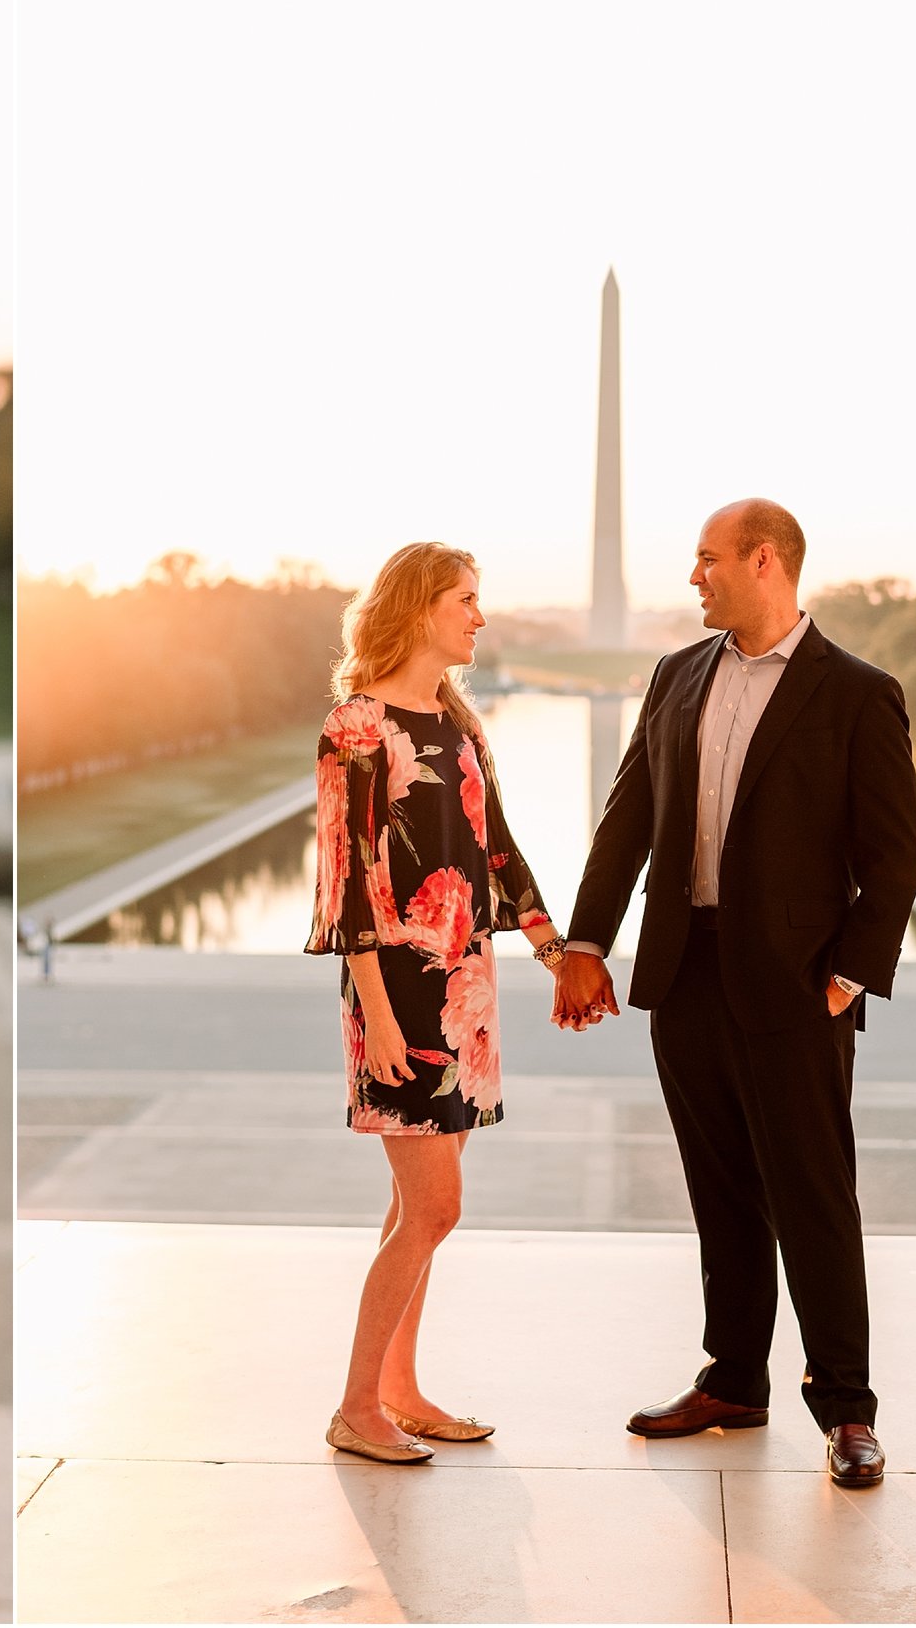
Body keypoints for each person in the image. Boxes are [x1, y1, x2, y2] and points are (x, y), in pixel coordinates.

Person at [551, 498, 916, 1489]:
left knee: (811, 1194)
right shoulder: (677, 675)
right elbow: (627, 816)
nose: (692, 576)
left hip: (798, 987)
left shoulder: (855, 692)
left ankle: (847, 1408)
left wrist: (846, 976)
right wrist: (587, 940)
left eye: (707, 559)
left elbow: (893, 856)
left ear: (765, 562)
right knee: (718, 1191)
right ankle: (733, 1378)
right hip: (685, 973)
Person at [303, 542, 577, 1464]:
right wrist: (376, 1015)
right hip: (396, 992)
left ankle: (400, 1390)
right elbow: (347, 885)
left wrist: (553, 949)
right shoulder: (356, 727)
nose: (479, 616)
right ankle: (354, 1406)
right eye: (465, 600)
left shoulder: (458, 722)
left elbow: (497, 847)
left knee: (414, 1207)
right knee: (434, 1206)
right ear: (420, 608)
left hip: (465, 983)